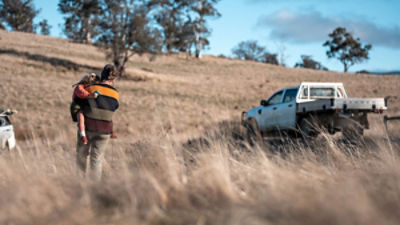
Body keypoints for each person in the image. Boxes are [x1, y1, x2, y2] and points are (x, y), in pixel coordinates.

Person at [76, 64, 120, 181]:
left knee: (82, 155)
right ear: (114, 79)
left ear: (102, 75)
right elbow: (114, 107)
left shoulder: (90, 88)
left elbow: (78, 101)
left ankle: (79, 184)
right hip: (105, 131)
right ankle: (94, 189)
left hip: (88, 128)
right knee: (97, 159)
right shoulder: (116, 94)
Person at [70, 73, 100, 145]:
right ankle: (83, 135)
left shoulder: (95, 88)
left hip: (87, 106)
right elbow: (80, 92)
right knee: (80, 116)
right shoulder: (80, 86)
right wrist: (89, 95)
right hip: (78, 105)